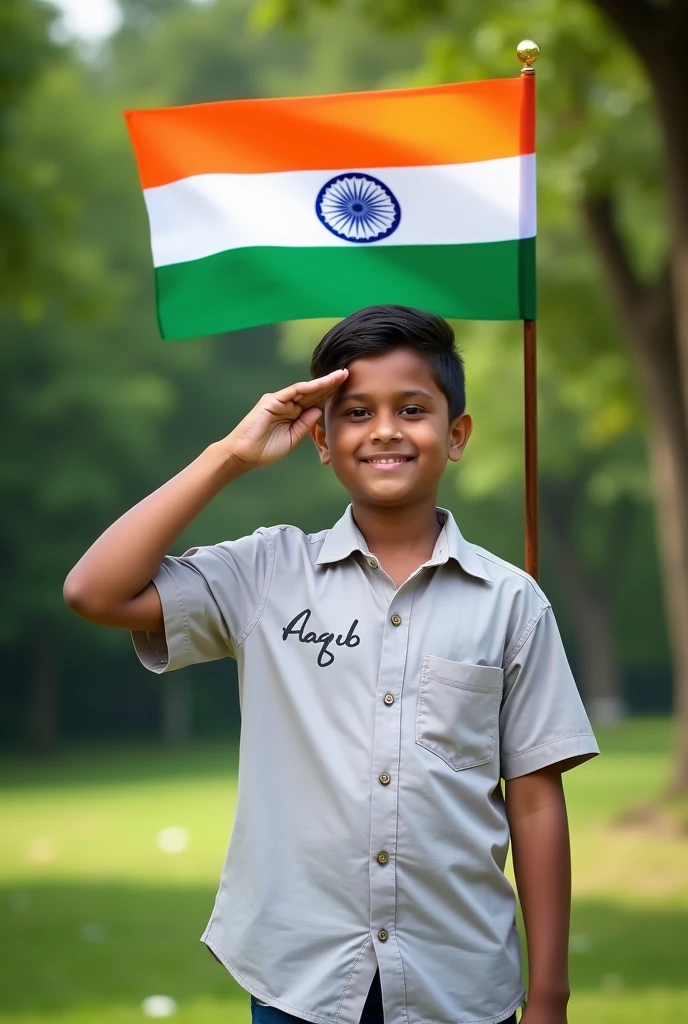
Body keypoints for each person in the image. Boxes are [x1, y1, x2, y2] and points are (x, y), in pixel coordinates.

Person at [64, 305, 599, 1024]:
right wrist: (231, 453)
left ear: (457, 434)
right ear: (321, 437)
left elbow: (534, 801)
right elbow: (94, 591)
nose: (384, 430)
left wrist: (548, 996)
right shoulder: (265, 573)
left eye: (413, 408)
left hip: (462, 985)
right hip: (299, 983)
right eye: (354, 412)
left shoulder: (511, 602)